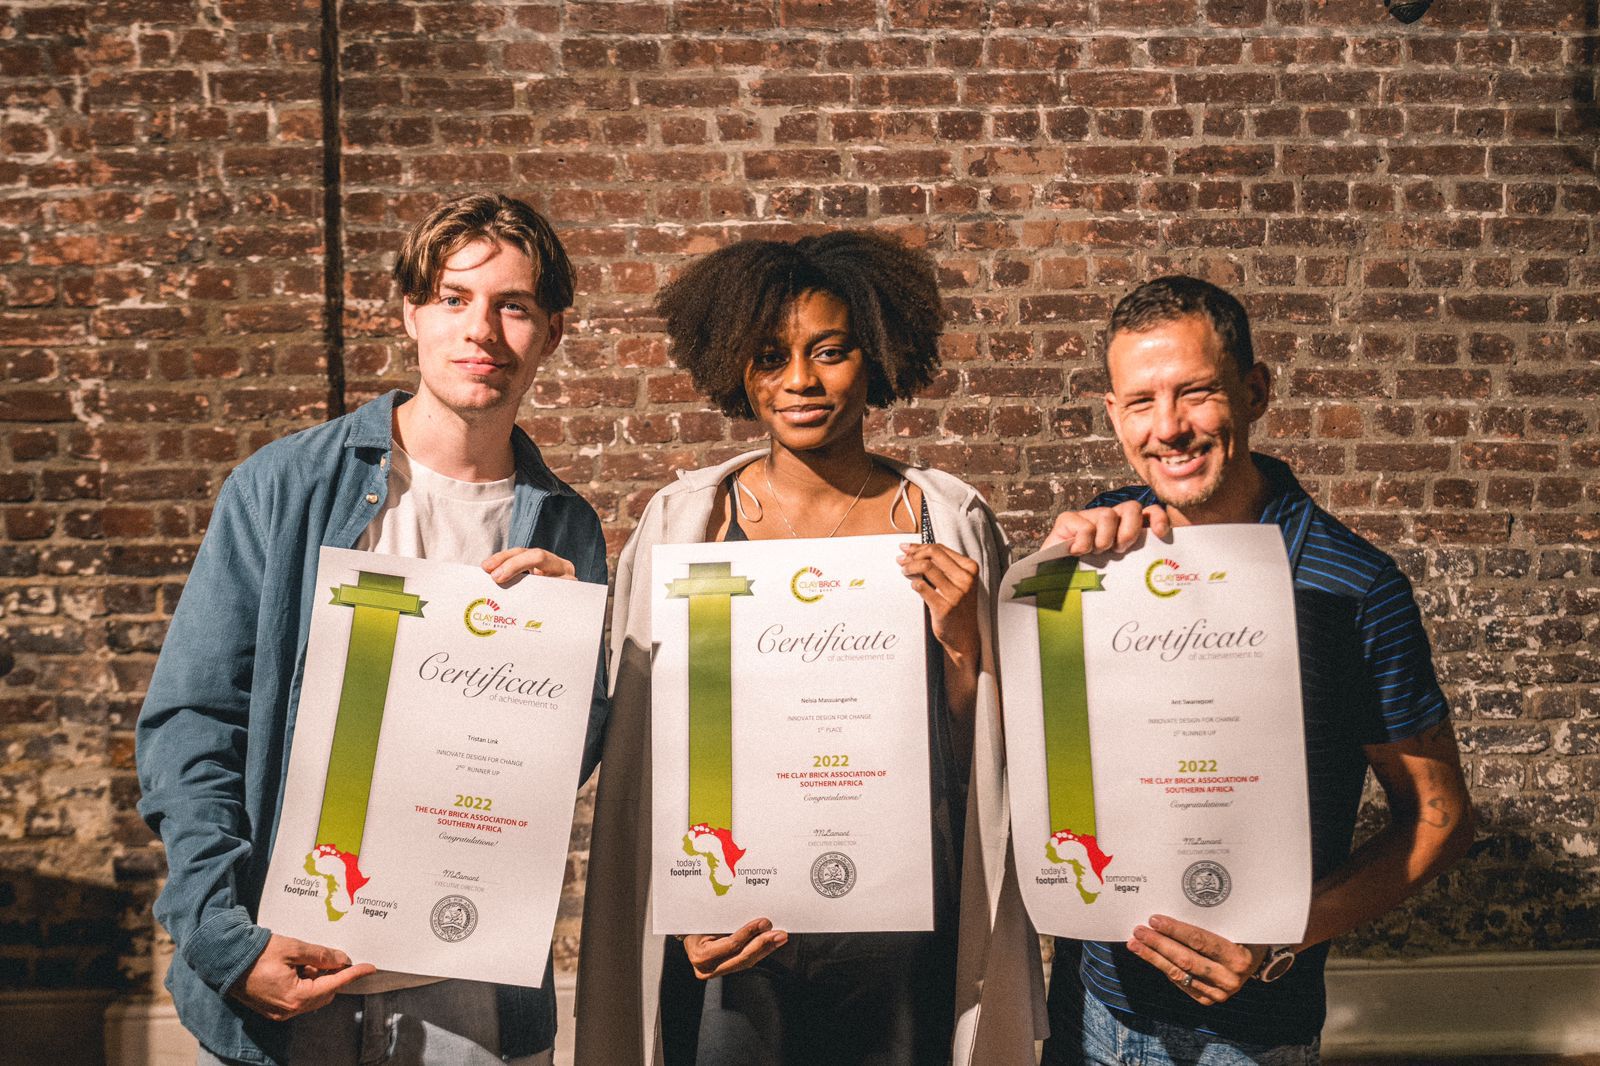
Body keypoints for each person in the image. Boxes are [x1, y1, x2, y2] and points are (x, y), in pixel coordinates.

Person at [135, 193, 609, 1066]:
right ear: (411, 313)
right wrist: (224, 939)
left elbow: (557, 769)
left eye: (513, 306)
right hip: (286, 970)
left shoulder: (566, 528)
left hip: (467, 979)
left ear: (552, 332)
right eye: (454, 298)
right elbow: (192, 725)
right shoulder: (285, 486)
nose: (481, 330)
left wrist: (566, 655)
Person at [575, 232, 1046, 1066]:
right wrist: (684, 904)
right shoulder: (686, 522)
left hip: (898, 918)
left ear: (877, 357)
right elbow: (647, 748)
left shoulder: (946, 520)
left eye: (830, 352)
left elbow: (985, 755)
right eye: (770, 357)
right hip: (735, 919)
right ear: (736, 367)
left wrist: (964, 646)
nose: (799, 380)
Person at [1037, 276, 1475, 1065]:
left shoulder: (1355, 587)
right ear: (1113, 413)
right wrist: (1048, 577)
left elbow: (1439, 818)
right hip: (1089, 1002)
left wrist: (1282, 936)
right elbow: (1041, 730)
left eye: (1196, 393)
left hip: (1250, 1033)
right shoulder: (1103, 546)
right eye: (1141, 402)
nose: (1168, 428)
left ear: (1256, 391)